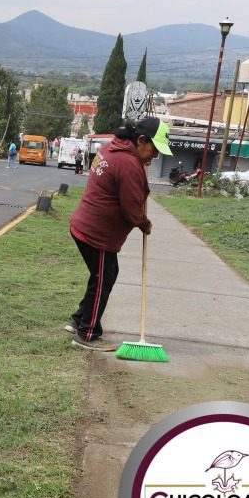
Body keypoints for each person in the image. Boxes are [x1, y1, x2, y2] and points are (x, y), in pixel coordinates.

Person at [67, 116, 170, 351]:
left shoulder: (111, 147)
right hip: (98, 233)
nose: (155, 156)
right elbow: (132, 210)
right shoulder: (128, 163)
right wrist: (144, 223)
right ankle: (87, 332)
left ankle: (78, 319)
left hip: (85, 225)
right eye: (154, 150)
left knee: (104, 275)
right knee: (103, 279)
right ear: (141, 140)